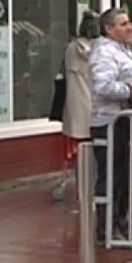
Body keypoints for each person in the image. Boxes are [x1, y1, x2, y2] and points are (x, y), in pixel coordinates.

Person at [90, 8, 132, 242]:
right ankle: (107, 229)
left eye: (130, 22)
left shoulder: (124, 50)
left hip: (127, 120)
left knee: (125, 174)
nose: (131, 27)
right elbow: (103, 87)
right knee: (111, 175)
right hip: (111, 122)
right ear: (109, 29)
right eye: (123, 24)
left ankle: (123, 224)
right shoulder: (104, 52)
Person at [49, 11, 99, 201]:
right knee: (96, 152)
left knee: (78, 152)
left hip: (74, 108)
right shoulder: (99, 52)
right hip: (95, 108)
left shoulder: (70, 49)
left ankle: (81, 190)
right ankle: (92, 191)